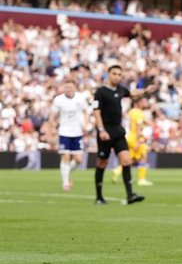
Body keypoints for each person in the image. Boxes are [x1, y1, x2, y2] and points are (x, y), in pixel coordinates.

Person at [92, 64, 157, 205]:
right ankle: (99, 196)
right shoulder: (100, 92)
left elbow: (132, 93)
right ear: (108, 74)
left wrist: (145, 91)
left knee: (126, 160)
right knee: (102, 162)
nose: (116, 76)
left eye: (119, 74)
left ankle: (130, 195)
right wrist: (101, 130)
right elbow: (96, 112)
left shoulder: (121, 90)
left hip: (118, 131)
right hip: (105, 131)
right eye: (114, 74)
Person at [49, 79, 89, 191]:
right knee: (65, 157)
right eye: (66, 87)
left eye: (70, 87)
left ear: (74, 88)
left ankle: (66, 173)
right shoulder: (59, 100)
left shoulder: (80, 98)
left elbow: (86, 112)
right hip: (64, 131)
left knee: (79, 159)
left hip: (77, 132)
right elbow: (53, 115)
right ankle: (65, 182)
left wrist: (85, 124)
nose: (68, 89)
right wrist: (52, 128)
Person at [111, 98, 154, 186]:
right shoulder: (138, 113)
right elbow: (138, 128)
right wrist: (139, 141)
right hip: (135, 137)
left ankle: (117, 170)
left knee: (131, 158)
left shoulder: (132, 112)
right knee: (143, 156)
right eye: (143, 101)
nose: (145, 102)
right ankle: (141, 179)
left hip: (129, 136)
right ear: (137, 103)